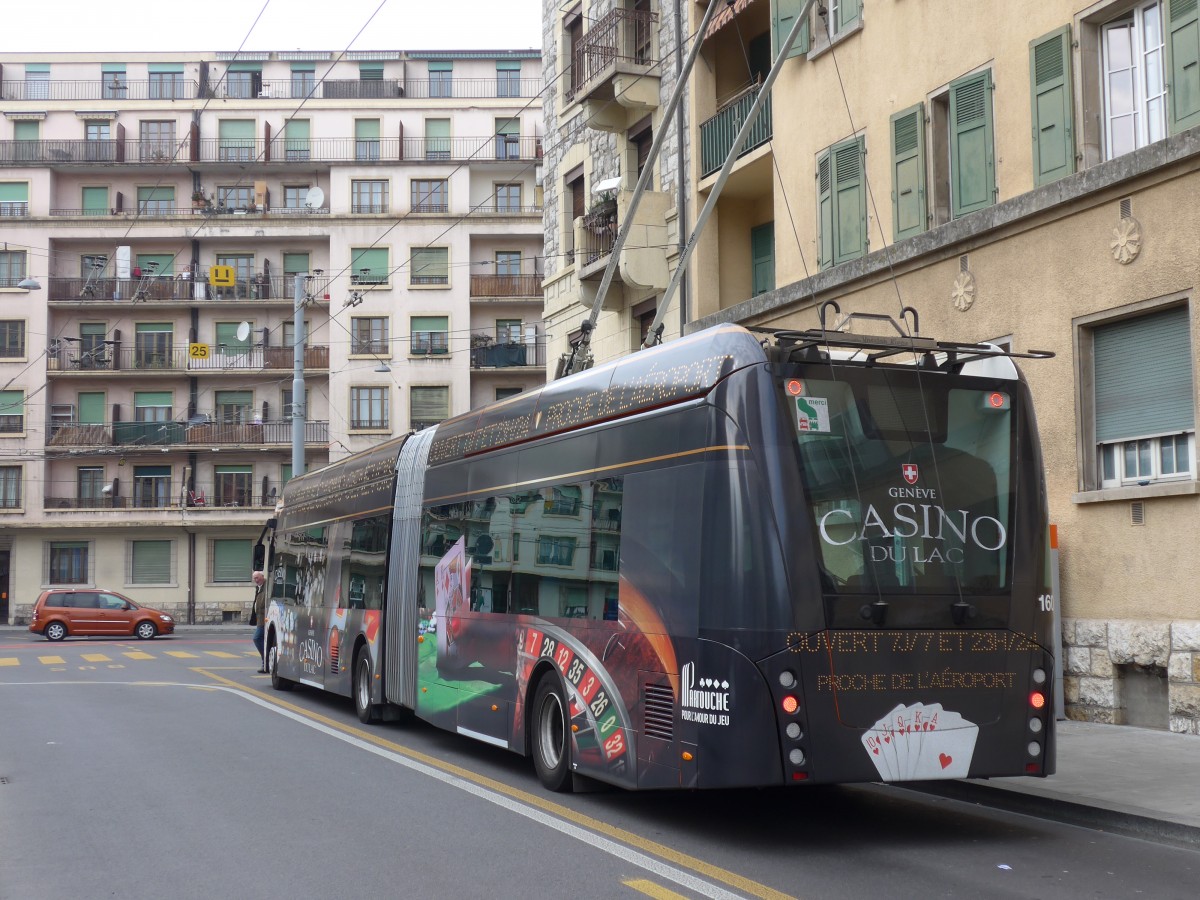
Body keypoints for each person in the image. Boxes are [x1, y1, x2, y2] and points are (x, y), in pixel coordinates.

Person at [251, 570, 267, 673]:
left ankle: (265, 660)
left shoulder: (267, 587)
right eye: (254, 578)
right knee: (261, 639)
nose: (256, 580)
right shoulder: (259, 588)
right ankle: (265, 661)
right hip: (260, 620)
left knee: (257, 638)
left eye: (257, 578)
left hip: (265, 619)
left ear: (262, 576)